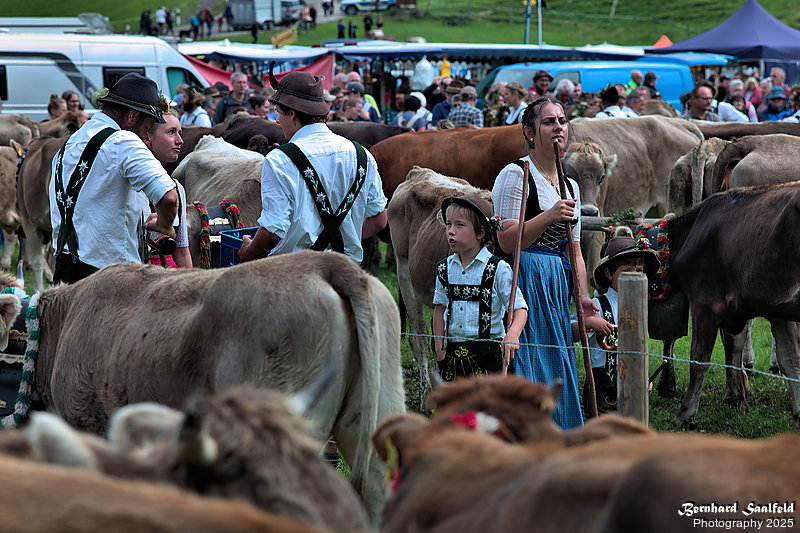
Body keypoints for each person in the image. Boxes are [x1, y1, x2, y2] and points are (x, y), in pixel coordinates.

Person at [490, 96, 597, 430]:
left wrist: (582, 297)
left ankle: (561, 433)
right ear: (530, 132)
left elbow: (575, 251)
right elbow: (506, 240)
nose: (558, 128)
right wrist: (549, 216)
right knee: (530, 358)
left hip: (556, 281)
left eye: (562, 121)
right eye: (549, 122)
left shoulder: (571, 185)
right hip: (524, 278)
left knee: (558, 358)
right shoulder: (515, 175)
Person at [238, 68, 387, 263]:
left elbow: (273, 232)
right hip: (344, 275)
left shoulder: (279, 161)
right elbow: (379, 220)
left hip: (295, 276)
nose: (276, 120)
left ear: (292, 114)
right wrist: (345, 239)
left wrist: (248, 252)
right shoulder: (362, 155)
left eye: (278, 113)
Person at [49, 72, 178, 284]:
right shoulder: (123, 142)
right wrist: (164, 225)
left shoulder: (68, 145)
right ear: (132, 116)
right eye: (147, 128)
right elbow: (169, 197)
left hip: (65, 273)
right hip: (110, 280)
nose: (147, 136)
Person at [433, 194, 528, 381]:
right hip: (453, 354)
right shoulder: (444, 269)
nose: (451, 231)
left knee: (489, 407)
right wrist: (439, 349)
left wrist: (512, 335)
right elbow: (439, 309)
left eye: (460, 225)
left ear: (480, 232)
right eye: (449, 224)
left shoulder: (498, 269)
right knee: (457, 407)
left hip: (489, 356)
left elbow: (520, 308)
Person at [571, 232, 658, 414]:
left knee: (630, 426)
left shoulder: (641, 307)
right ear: (609, 273)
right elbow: (570, 332)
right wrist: (590, 322)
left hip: (631, 380)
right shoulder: (597, 305)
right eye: (627, 271)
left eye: (638, 272)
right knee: (604, 432)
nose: (633, 277)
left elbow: (641, 348)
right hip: (603, 384)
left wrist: (643, 376)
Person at [142, 110, 191, 269]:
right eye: (171, 132)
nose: (180, 141)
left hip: (169, 278)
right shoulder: (130, 186)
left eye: (180, 133)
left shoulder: (176, 187)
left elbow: (182, 252)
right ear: (148, 136)